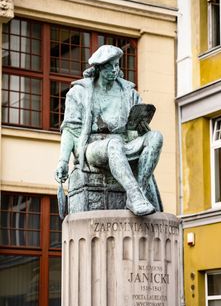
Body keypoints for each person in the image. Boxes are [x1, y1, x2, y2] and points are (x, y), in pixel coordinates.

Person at [55, 45, 163, 216]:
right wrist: (62, 161)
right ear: (98, 68)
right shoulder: (79, 92)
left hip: (124, 143)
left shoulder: (129, 92)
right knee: (113, 144)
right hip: (93, 147)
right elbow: (69, 129)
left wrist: (140, 126)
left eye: (117, 65)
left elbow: (135, 128)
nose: (114, 70)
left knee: (156, 137)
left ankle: (139, 193)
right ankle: (134, 194)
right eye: (109, 66)